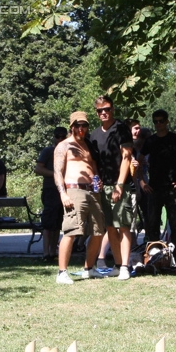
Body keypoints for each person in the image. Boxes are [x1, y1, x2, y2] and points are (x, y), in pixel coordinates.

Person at [54, 111, 106, 284]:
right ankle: (62, 272)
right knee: (71, 231)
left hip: (92, 192)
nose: (81, 128)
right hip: (73, 191)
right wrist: (63, 193)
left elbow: (93, 168)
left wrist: (98, 181)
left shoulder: (88, 145)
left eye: (84, 125)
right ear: (72, 127)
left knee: (98, 231)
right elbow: (57, 172)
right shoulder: (64, 146)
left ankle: (89, 268)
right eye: (78, 125)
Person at [90, 96, 134, 280]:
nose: (104, 113)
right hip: (103, 186)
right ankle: (117, 264)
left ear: (112, 109)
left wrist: (119, 185)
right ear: (96, 112)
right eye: (100, 110)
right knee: (109, 227)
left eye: (107, 109)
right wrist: (96, 181)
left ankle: (125, 266)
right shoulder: (93, 134)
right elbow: (93, 162)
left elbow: (126, 158)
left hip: (120, 185)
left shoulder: (121, 129)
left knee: (123, 225)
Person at [139, 109, 176, 264]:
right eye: (155, 121)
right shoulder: (150, 141)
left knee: (174, 224)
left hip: (172, 188)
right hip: (154, 188)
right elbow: (138, 162)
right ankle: (154, 257)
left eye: (161, 121)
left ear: (167, 121)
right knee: (152, 224)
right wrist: (142, 182)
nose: (158, 124)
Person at [34, 127, 67, 261]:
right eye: (57, 136)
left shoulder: (68, 151)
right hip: (50, 190)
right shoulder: (48, 151)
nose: (59, 139)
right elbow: (38, 169)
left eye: (62, 137)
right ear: (53, 137)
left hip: (64, 191)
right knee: (48, 223)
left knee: (58, 224)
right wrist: (56, 175)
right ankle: (45, 253)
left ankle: (53, 252)